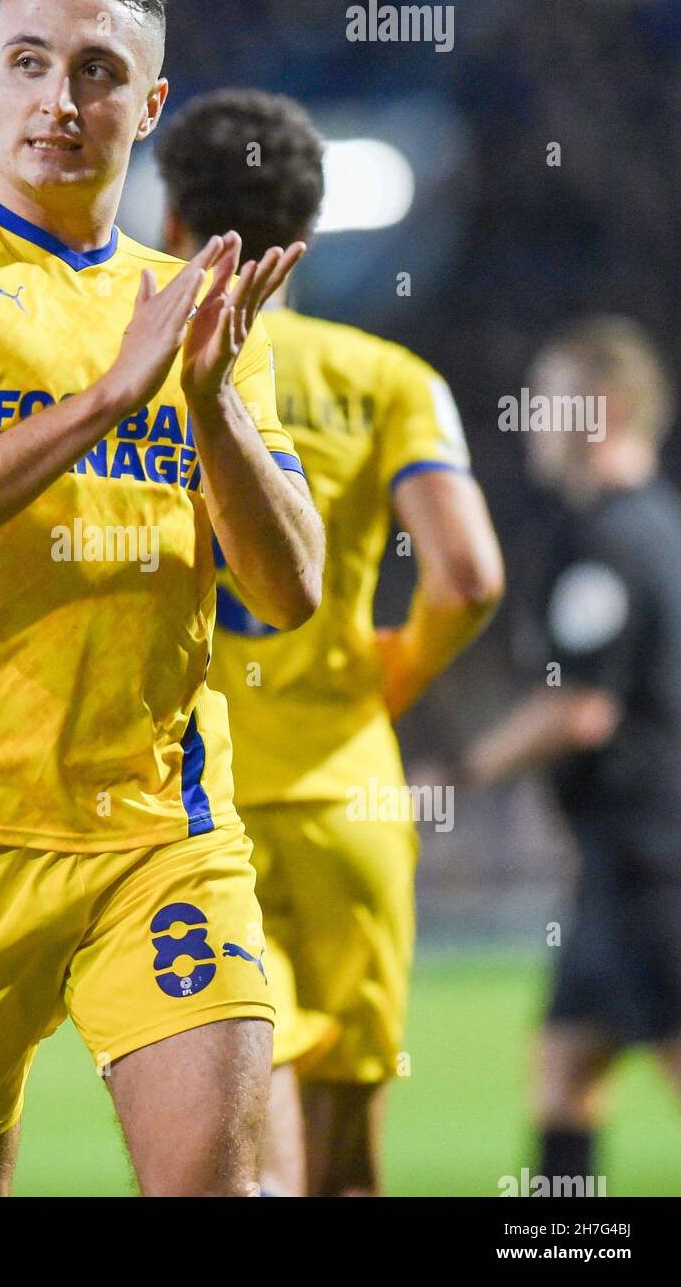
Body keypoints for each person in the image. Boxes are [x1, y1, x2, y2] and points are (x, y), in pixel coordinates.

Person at [0, 0, 324, 1196]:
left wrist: (208, 405)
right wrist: (107, 399)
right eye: (30, 65)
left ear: (148, 107)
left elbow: (289, 586)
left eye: (98, 73)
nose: (58, 101)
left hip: (164, 832)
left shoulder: (197, 304)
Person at [157, 88, 505, 1195]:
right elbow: (470, 574)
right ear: (307, 236)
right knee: (349, 1155)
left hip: (191, 807)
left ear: (173, 225)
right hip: (350, 794)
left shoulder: (132, 384)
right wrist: (393, 670)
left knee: (235, 1133)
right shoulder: (392, 381)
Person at [456, 316, 681, 1187]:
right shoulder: (660, 524)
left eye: (549, 400)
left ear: (605, 410)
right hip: (621, 861)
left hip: (649, 861)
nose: (533, 417)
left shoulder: (610, 540)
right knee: (565, 1069)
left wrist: (463, 771)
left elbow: (581, 708)